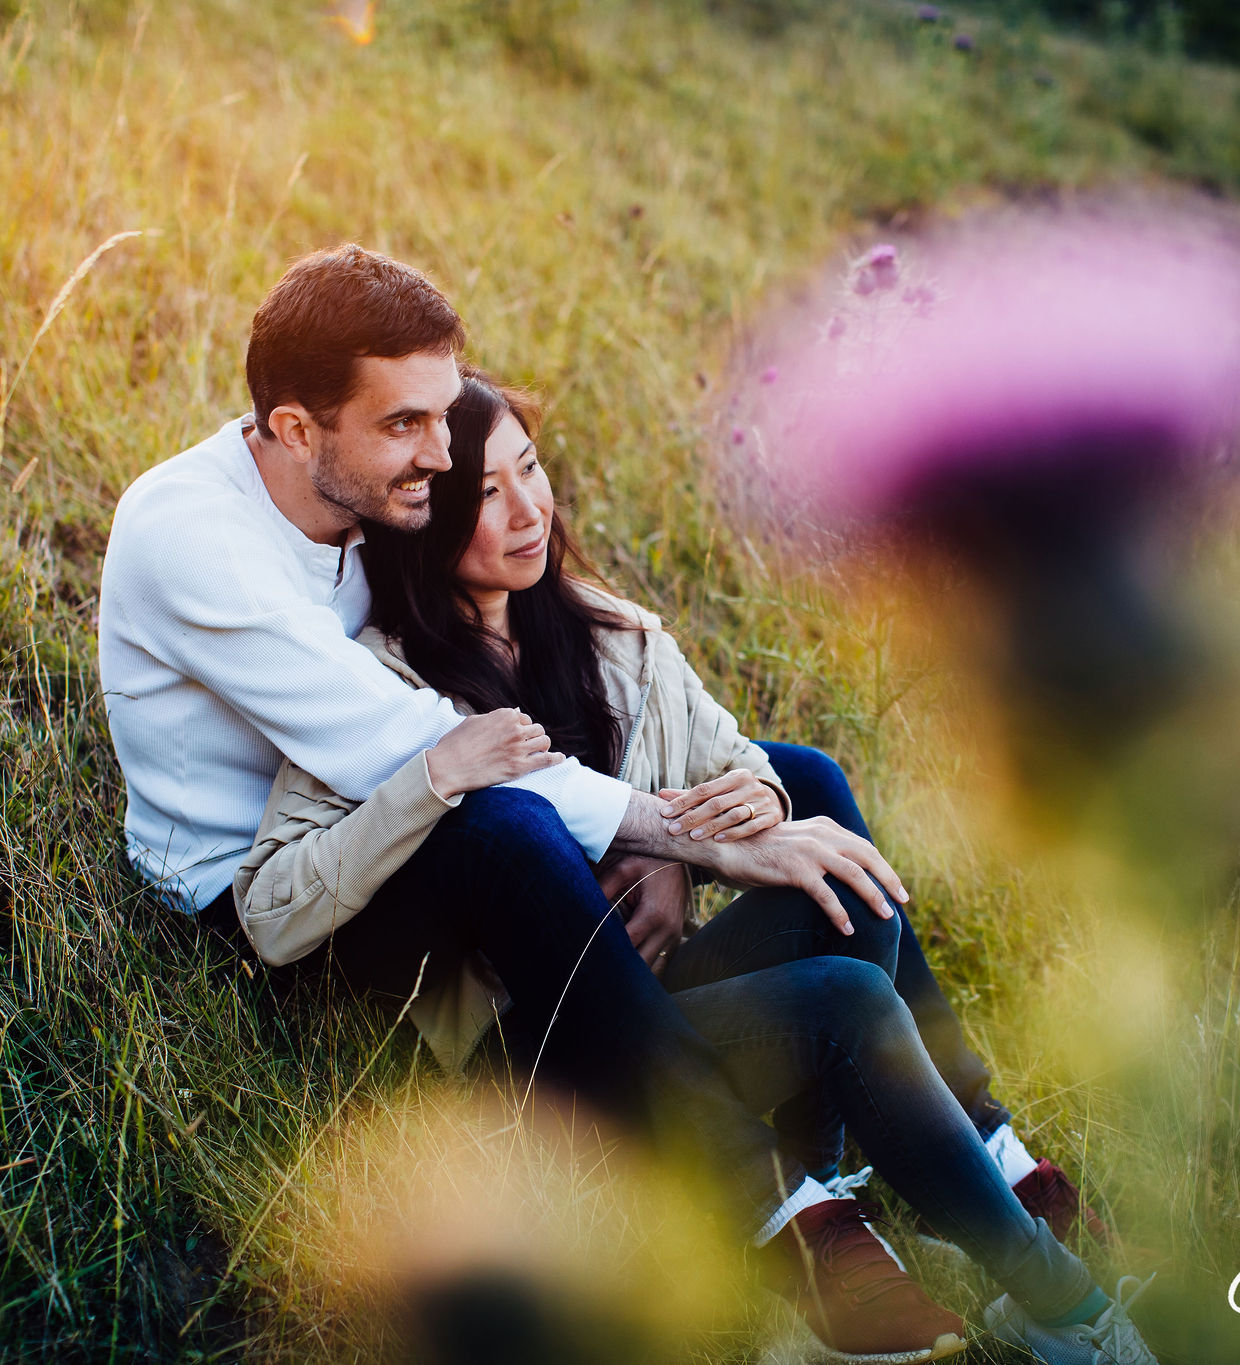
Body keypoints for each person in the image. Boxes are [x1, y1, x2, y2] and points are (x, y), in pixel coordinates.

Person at [99, 245, 960, 1362]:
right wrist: (672, 835)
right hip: (281, 901)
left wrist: (664, 841)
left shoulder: (366, 485)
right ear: (297, 429)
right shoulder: (194, 542)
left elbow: (484, 624)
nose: (438, 452)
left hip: (423, 814)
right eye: (406, 424)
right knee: (505, 825)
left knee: (793, 777)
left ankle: (958, 1140)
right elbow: (414, 748)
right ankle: (767, 1205)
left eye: (440, 415)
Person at [233, 366, 1162, 1365]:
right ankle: (1024, 1294)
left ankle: (878, 1182)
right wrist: (428, 780)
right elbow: (273, 907)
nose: (525, 510)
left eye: (530, 469)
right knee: (845, 1001)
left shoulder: (604, 636)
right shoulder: (381, 690)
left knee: (841, 870)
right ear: (425, 526)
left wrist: (680, 844)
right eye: (483, 495)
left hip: (661, 999)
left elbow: (743, 767)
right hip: (540, 1053)